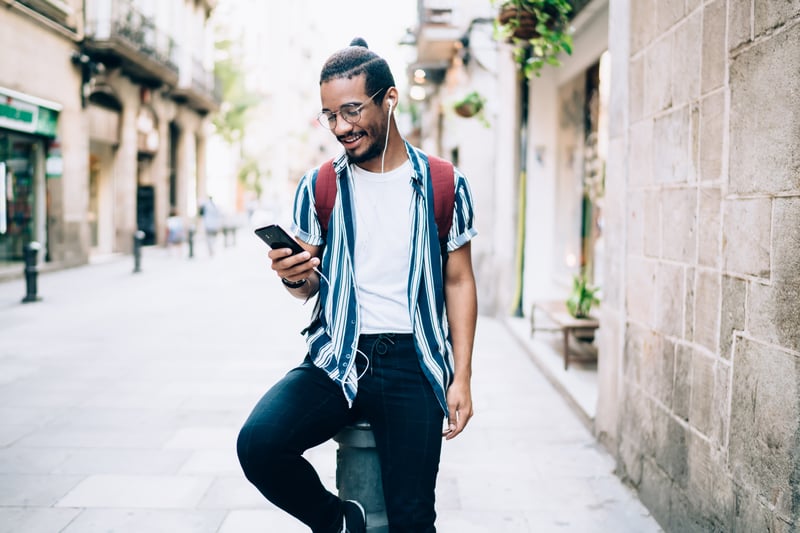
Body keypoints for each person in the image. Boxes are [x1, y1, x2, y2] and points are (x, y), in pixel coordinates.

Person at [236, 37, 478, 533]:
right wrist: (294, 276)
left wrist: (462, 376)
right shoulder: (319, 186)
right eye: (329, 115)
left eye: (351, 110)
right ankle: (339, 521)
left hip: (415, 362)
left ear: (389, 99)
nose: (341, 127)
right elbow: (307, 288)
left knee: (413, 519)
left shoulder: (442, 183)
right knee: (259, 444)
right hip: (337, 358)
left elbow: (459, 279)